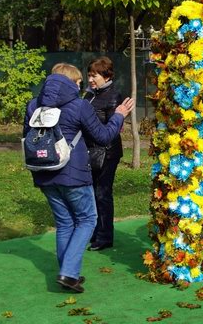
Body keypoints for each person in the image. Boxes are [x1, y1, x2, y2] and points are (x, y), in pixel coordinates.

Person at [23, 63, 135, 293]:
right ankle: (69, 273)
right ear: (70, 82)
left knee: (65, 222)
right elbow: (103, 136)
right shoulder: (79, 105)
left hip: (43, 172)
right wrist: (119, 116)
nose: (80, 85)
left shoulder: (33, 105)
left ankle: (67, 271)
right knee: (87, 219)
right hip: (73, 174)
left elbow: (28, 136)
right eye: (77, 82)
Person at [83, 57, 123, 252]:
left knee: (102, 193)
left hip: (107, 154)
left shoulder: (114, 96)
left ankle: (105, 236)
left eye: (94, 75)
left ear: (106, 75)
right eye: (89, 75)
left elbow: (112, 128)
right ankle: (94, 231)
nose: (90, 79)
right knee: (91, 193)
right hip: (89, 151)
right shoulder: (88, 95)